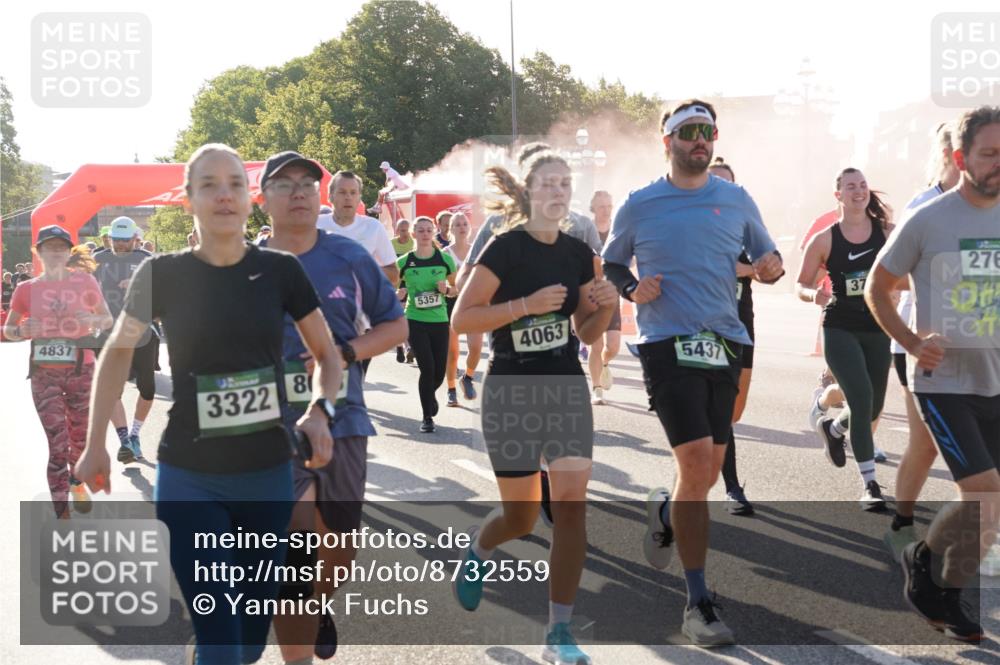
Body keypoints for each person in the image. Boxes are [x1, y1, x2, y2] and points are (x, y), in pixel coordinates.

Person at [73, 143, 343, 665]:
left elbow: (328, 358)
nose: (224, 195)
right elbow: (116, 353)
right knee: (219, 634)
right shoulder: (163, 274)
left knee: (248, 640)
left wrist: (319, 412)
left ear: (250, 200)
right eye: (209, 185)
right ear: (190, 201)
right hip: (189, 474)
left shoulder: (282, 271)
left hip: (266, 473)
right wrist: (94, 445)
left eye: (235, 185)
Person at [603, 99, 783, 646]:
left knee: (703, 474)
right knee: (698, 459)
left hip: (724, 342)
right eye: (688, 132)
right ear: (668, 142)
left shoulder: (735, 198)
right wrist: (634, 289)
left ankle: (665, 510)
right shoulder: (640, 204)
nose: (699, 140)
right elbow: (612, 263)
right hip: (666, 341)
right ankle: (698, 601)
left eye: (706, 132)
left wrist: (772, 269)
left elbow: (768, 257)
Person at [451, 151, 618, 665]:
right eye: (548, 183)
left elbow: (586, 332)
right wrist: (525, 306)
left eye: (565, 183)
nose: (559, 191)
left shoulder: (579, 252)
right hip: (512, 390)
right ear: (528, 193)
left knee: (571, 509)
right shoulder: (505, 249)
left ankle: (559, 633)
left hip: (565, 386)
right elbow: (462, 319)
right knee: (522, 517)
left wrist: (606, 305)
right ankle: (479, 550)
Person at [257, 150, 407, 663]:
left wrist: (341, 352)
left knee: (339, 552)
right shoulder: (243, 266)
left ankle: (316, 604)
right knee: (295, 545)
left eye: (307, 183)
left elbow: (396, 324)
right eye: (284, 184)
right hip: (270, 426)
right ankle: (294, 633)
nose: (298, 191)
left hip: (344, 417)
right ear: (263, 200)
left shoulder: (348, 256)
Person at [865, 105, 1000, 643]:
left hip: (996, 377)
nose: (999, 164)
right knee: (985, 491)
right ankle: (932, 570)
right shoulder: (930, 218)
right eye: (990, 154)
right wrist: (912, 342)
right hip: (943, 381)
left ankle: (937, 577)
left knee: (989, 507)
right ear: (961, 158)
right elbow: (878, 286)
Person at [882, 122, 961, 561]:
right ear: (950, 153)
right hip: (920, 345)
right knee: (928, 444)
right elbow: (890, 279)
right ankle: (902, 524)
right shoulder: (924, 205)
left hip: (979, 347)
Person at [796, 168, 893, 510]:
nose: (859, 190)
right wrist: (814, 297)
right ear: (838, 195)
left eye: (863, 184)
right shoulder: (825, 239)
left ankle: (834, 429)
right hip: (839, 328)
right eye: (851, 186)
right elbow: (801, 284)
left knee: (875, 406)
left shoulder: (886, 233)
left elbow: (910, 266)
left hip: (879, 327)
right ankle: (869, 484)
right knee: (862, 396)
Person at [3, 227, 114, 518]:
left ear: (68, 253)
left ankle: (76, 481)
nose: (55, 252)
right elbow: (9, 329)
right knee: (58, 443)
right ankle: (61, 510)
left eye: (60, 247)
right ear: (37, 252)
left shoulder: (85, 281)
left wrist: (91, 319)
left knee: (79, 439)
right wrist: (21, 330)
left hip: (81, 369)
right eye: (48, 247)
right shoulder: (26, 289)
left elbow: (106, 318)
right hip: (44, 374)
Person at [708, 158, 757, 516]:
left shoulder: (745, 224)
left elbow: (772, 261)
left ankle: (710, 458)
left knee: (733, 412)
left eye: (727, 183)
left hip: (742, 323)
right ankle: (732, 487)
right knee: (721, 411)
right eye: (714, 182)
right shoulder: (691, 225)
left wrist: (757, 267)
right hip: (704, 327)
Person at [93, 216, 158, 463]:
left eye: (124, 240)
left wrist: (139, 283)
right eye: (115, 240)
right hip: (110, 333)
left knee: (147, 388)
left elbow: (166, 287)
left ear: (135, 239)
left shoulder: (146, 259)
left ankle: (135, 433)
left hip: (142, 331)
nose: (119, 244)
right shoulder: (99, 259)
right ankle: (125, 442)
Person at [396, 216, 457, 432]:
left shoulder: (444, 260)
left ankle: (429, 396)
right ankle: (426, 418)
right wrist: (398, 293)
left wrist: (447, 290)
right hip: (415, 320)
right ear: (413, 234)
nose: (424, 234)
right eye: (420, 230)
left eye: (428, 230)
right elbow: (391, 289)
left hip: (440, 320)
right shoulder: (404, 262)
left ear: (434, 232)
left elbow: (456, 288)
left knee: (439, 371)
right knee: (427, 368)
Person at [317, 171, 399, 286]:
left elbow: (394, 275)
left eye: (353, 193)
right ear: (330, 196)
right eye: (342, 192)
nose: (348, 197)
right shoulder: (314, 225)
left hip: (363, 302)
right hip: (325, 301)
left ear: (359, 197)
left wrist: (364, 270)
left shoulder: (373, 227)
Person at [586, 190, 621, 405]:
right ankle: (596, 388)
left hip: (613, 293)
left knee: (613, 347)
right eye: (601, 206)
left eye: (609, 206)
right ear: (593, 208)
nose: (606, 210)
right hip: (590, 294)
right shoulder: (585, 229)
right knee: (595, 346)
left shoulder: (618, 229)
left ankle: (605, 365)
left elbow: (628, 256)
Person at [442, 212, 482, 404]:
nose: (461, 227)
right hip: (451, 304)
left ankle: (467, 377)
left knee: (475, 349)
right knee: (453, 352)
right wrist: (451, 289)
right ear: (451, 229)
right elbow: (443, 285)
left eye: (464, 223)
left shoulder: (478, 251)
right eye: (457, 224)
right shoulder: (445, 254)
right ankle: (451, 389)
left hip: (473, 304)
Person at [391, 219, 415, 364]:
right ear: (397, 230)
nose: (404, 233)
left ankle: (407, 348)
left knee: (406, 318)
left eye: (406, 230)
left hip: (410, 283)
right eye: (401, 230)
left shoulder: (413, 244)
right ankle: (400, 346)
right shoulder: (391, 244)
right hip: (395, 285)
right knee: (400, 319)